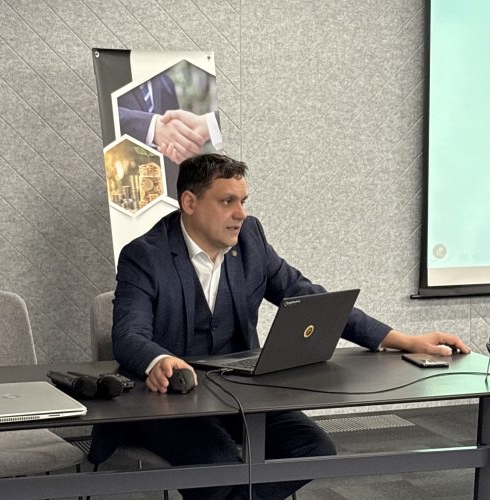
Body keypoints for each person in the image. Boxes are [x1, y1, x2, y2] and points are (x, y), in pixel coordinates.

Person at [91, 154, 469, 499]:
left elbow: (311, 299)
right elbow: (128, 335)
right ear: (189, 203)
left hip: (238, 395)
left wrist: (402, 340)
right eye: (227, 201)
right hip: (169, 405)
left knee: (314, 449)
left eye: (243, 201)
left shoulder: (251, 240)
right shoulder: (145, 255)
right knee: (219, 465)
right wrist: (159, 360)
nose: (240, 213)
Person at [118, 74, 222, 198]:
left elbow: (175, 142)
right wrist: (151, 126)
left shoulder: (166, 82)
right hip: (122, 182)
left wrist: (184, 149)